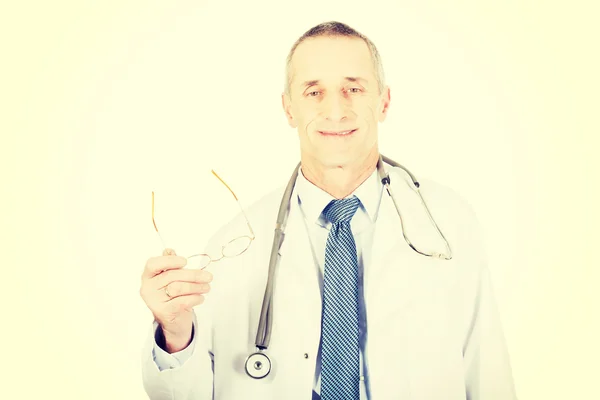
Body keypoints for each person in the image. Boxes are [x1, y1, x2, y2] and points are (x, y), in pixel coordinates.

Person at [139, 21, 518, 400]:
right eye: (314, 92)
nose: (336, 111)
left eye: (353, 88)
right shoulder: (234, 244)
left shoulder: (448, 224)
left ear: (384, 101)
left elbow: (488, 374)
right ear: (289, 109)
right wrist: (174, 333)